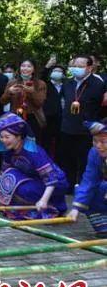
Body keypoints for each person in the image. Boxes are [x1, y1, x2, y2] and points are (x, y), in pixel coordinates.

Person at [0, 113, 68, 220]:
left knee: (23, 189)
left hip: (55, 183)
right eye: (1, 137)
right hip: (33, 179)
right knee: (9, 178)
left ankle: (50, 205)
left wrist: (43, 200)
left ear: (19, 137)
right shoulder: (8, 151)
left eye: (7, 137)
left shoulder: (33, 151)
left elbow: (51, 179)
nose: (3, 140)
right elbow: (4, 172)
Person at [58, 55, 105, 189]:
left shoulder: (98, 84)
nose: (76, 68)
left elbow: (101, 108)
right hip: (67, 128)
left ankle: (85, 188)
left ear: (89, 68)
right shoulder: (68, 83)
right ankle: (69, 186)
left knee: (85, 160)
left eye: (80, 66)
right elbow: (63, 102)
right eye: (74, 66)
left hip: (86, 129)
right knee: (68, 159)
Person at [67, 120, 107, 237]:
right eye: (95, 141)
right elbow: (89, 181)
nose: (98, 146)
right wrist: (76, 208)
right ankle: (104, 227)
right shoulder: (94, 153)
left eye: (103, 142)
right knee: (85, 191)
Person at [0, 59, 47, 139]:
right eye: (23, 66)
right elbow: (2, 101)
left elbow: (39, 103)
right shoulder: (12, 83)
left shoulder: (40, 84)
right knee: (16, 142)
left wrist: (31, 92)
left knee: (31, 142)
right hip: (15, 117)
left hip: (33, 118)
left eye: (29, 66)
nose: (25, 68)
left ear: (34, 69)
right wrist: (9, 92)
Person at [41, 63, 65, 158]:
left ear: (63, 75)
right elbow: (42, 76)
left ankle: (59, 161)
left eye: (60, 71)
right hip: (48, 118)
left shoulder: (66, 85)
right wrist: (47, 66)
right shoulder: (46, 84)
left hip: (62, 118)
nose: (57, 73)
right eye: (55, 71)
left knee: (60, 143)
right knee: (46, 141)